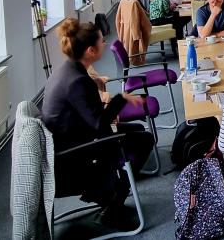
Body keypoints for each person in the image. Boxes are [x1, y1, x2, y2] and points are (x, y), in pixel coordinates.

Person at [42, 19, 153, 227]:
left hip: (70, 139)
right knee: (145, 140)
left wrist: (116, 104)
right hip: (72, 153)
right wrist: (121, 99)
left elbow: (88, 114)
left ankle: (110, 194)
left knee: (138, 130)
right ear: (91, 50)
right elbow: (99, 125)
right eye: (102, 40)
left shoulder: (67, 70)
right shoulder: (77, 80)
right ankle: (113, 202)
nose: (105, 42)